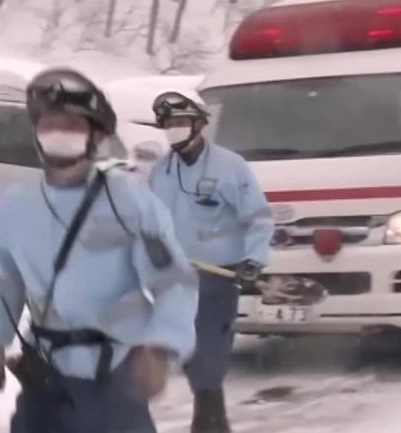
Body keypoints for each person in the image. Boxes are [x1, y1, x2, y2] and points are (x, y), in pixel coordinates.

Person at [0, 67, 200, 433]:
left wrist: (160, 349)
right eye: (49, 124)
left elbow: (173, 281)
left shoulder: (130, 201)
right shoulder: (16, 205)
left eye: (72, 125)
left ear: (95, 137)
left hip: (114, 375)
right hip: (44, 373)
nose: (58, 133)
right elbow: (3, 278)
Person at [137, 90, 274, 433]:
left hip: (218, 277)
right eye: (169, 124)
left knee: (209, 348)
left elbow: (257, 218)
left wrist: (253, 261)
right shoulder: (160, 172)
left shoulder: (230, 166)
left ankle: (209, 419)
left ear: (198, 125)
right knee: (187, 348)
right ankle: (211, 416)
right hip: (174, 277)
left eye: (181, 123)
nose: (175, 130)